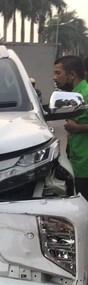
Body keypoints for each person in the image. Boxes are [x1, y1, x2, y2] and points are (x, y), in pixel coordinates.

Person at [53, 55, 88, 196]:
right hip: (78, 164)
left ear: (72, 75)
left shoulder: (86, 93)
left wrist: (77, 128)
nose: (54, 78)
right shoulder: (73, 96)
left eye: (58, 73)